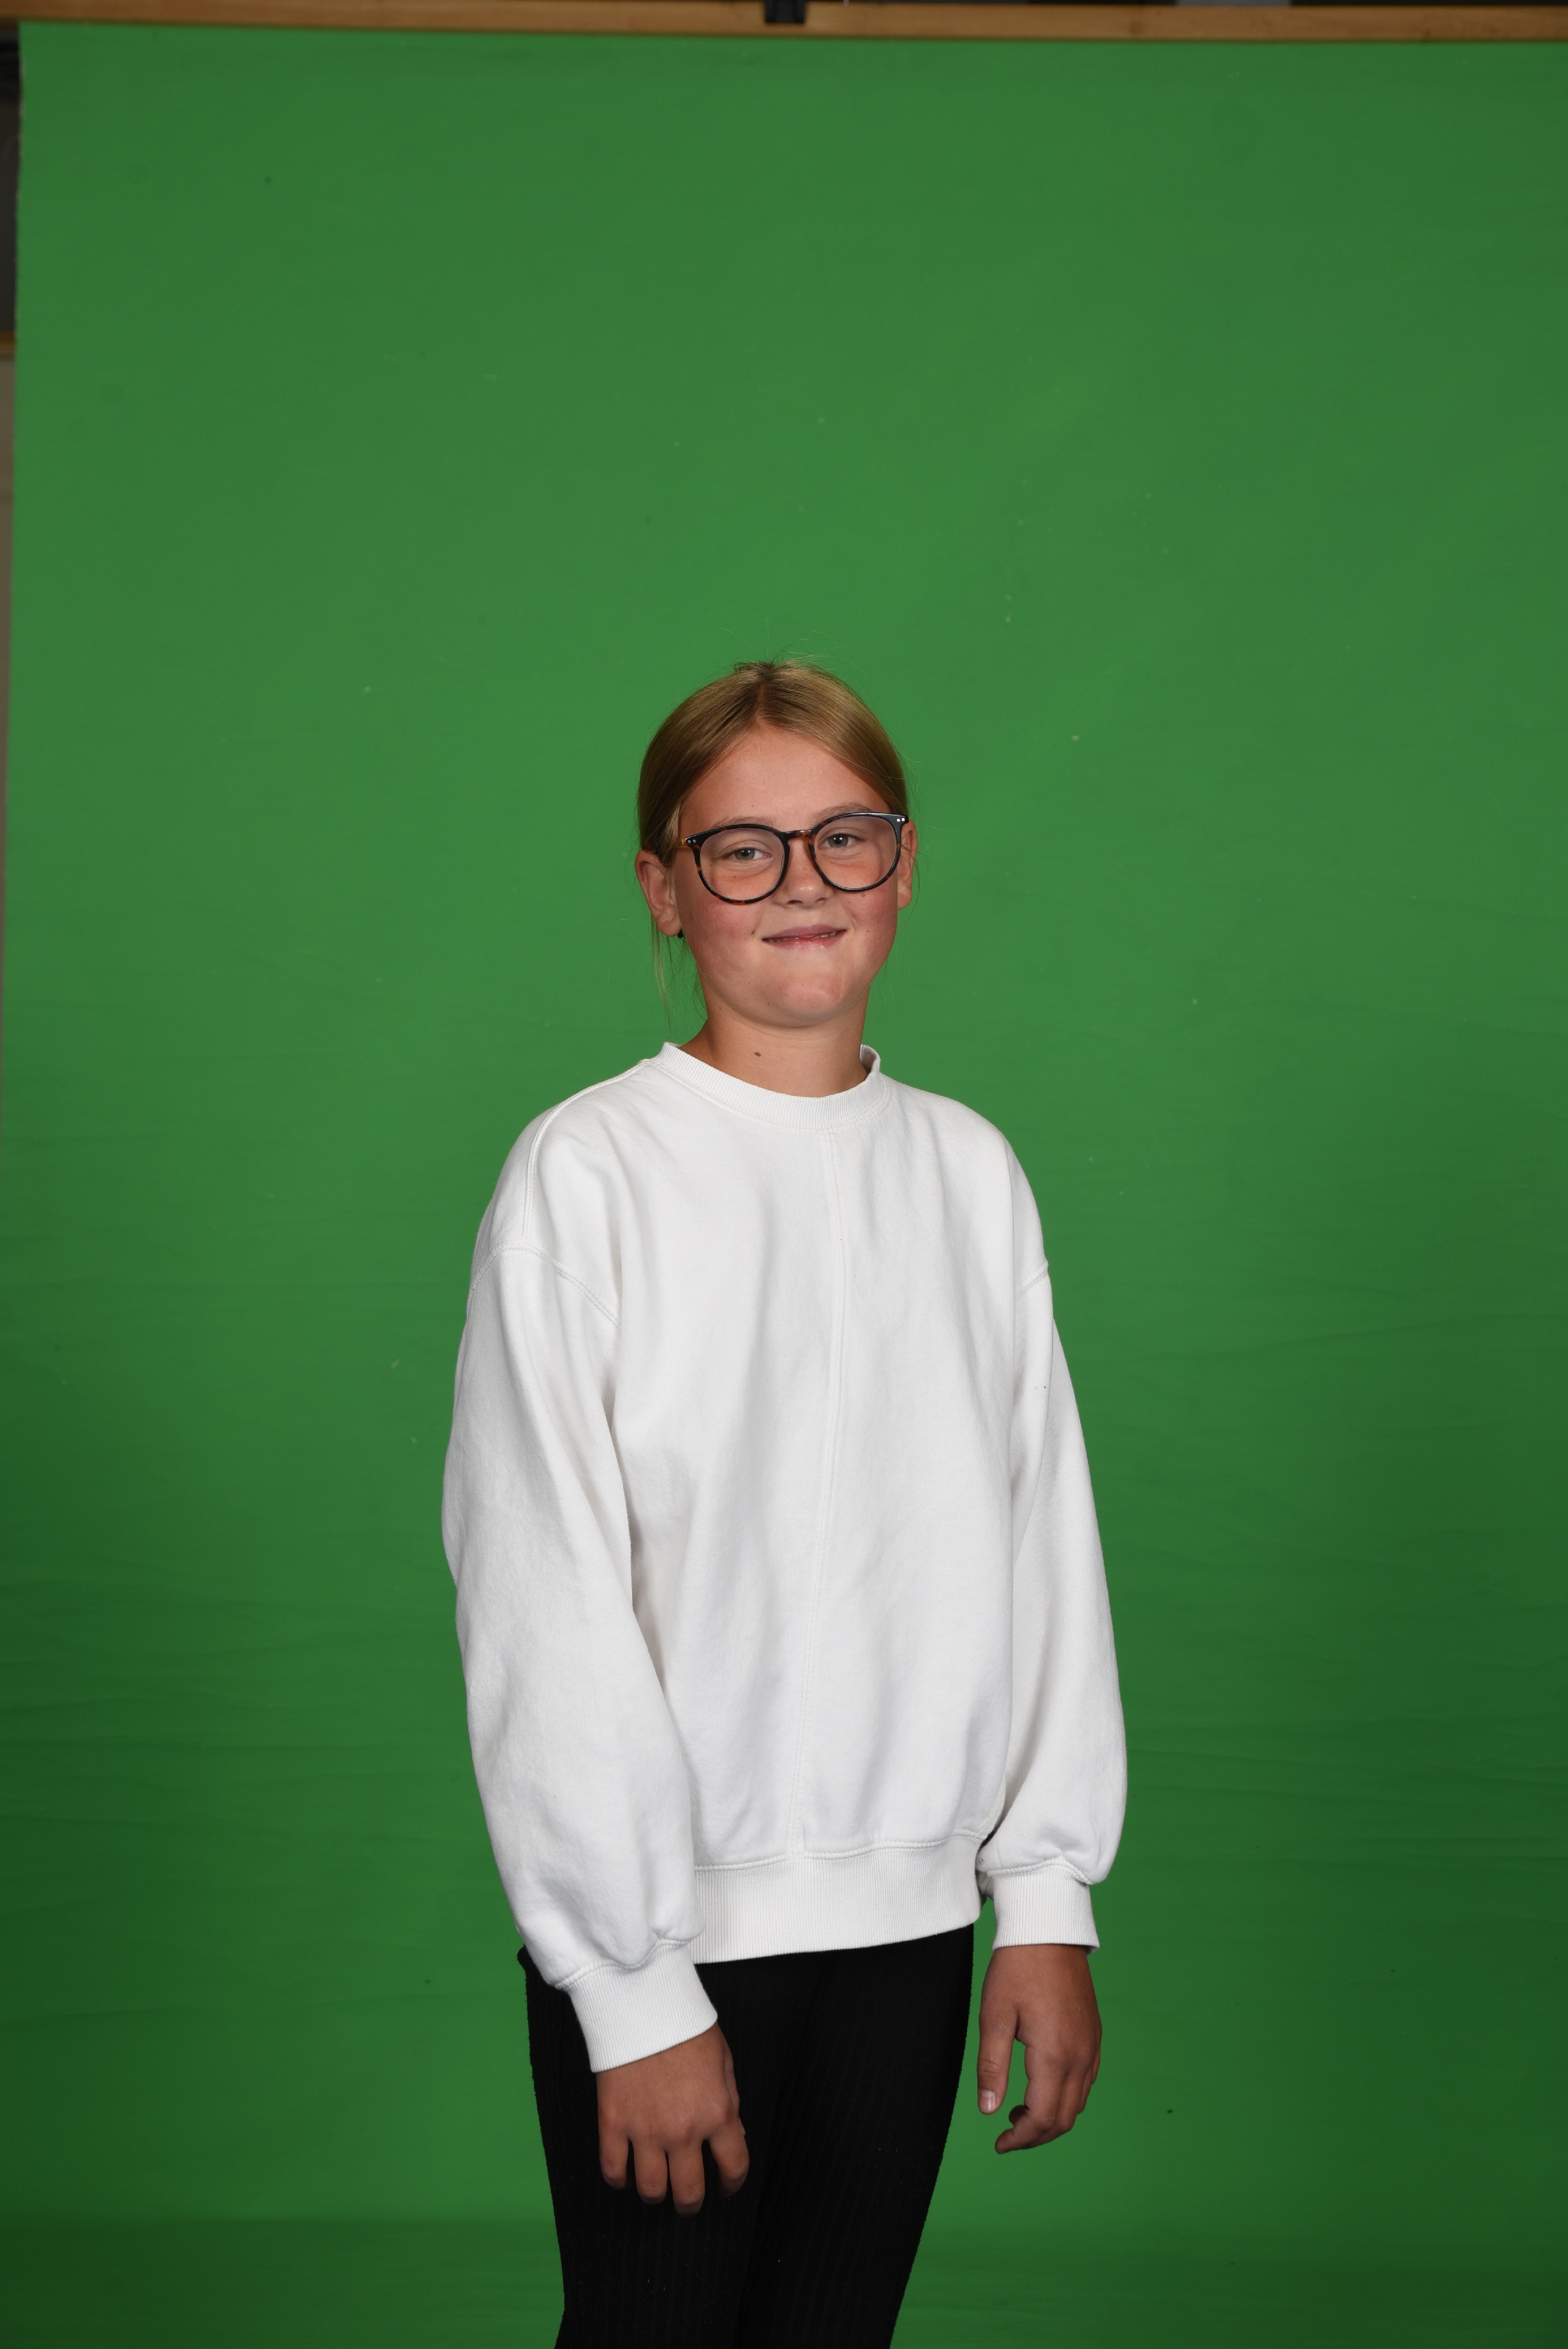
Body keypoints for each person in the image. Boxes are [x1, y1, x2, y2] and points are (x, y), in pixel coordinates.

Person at [442, 661, 1126, 2348]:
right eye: (740, 849)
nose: (800, 884)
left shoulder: (968, 1173)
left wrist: (1044, 1900)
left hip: (912, 1932)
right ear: (664, 890)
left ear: (903, 864)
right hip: (674, 1940)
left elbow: (1041, 1542)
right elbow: (540, 1591)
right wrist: (630, 1989)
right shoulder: (588, 1174)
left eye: (843, 838)